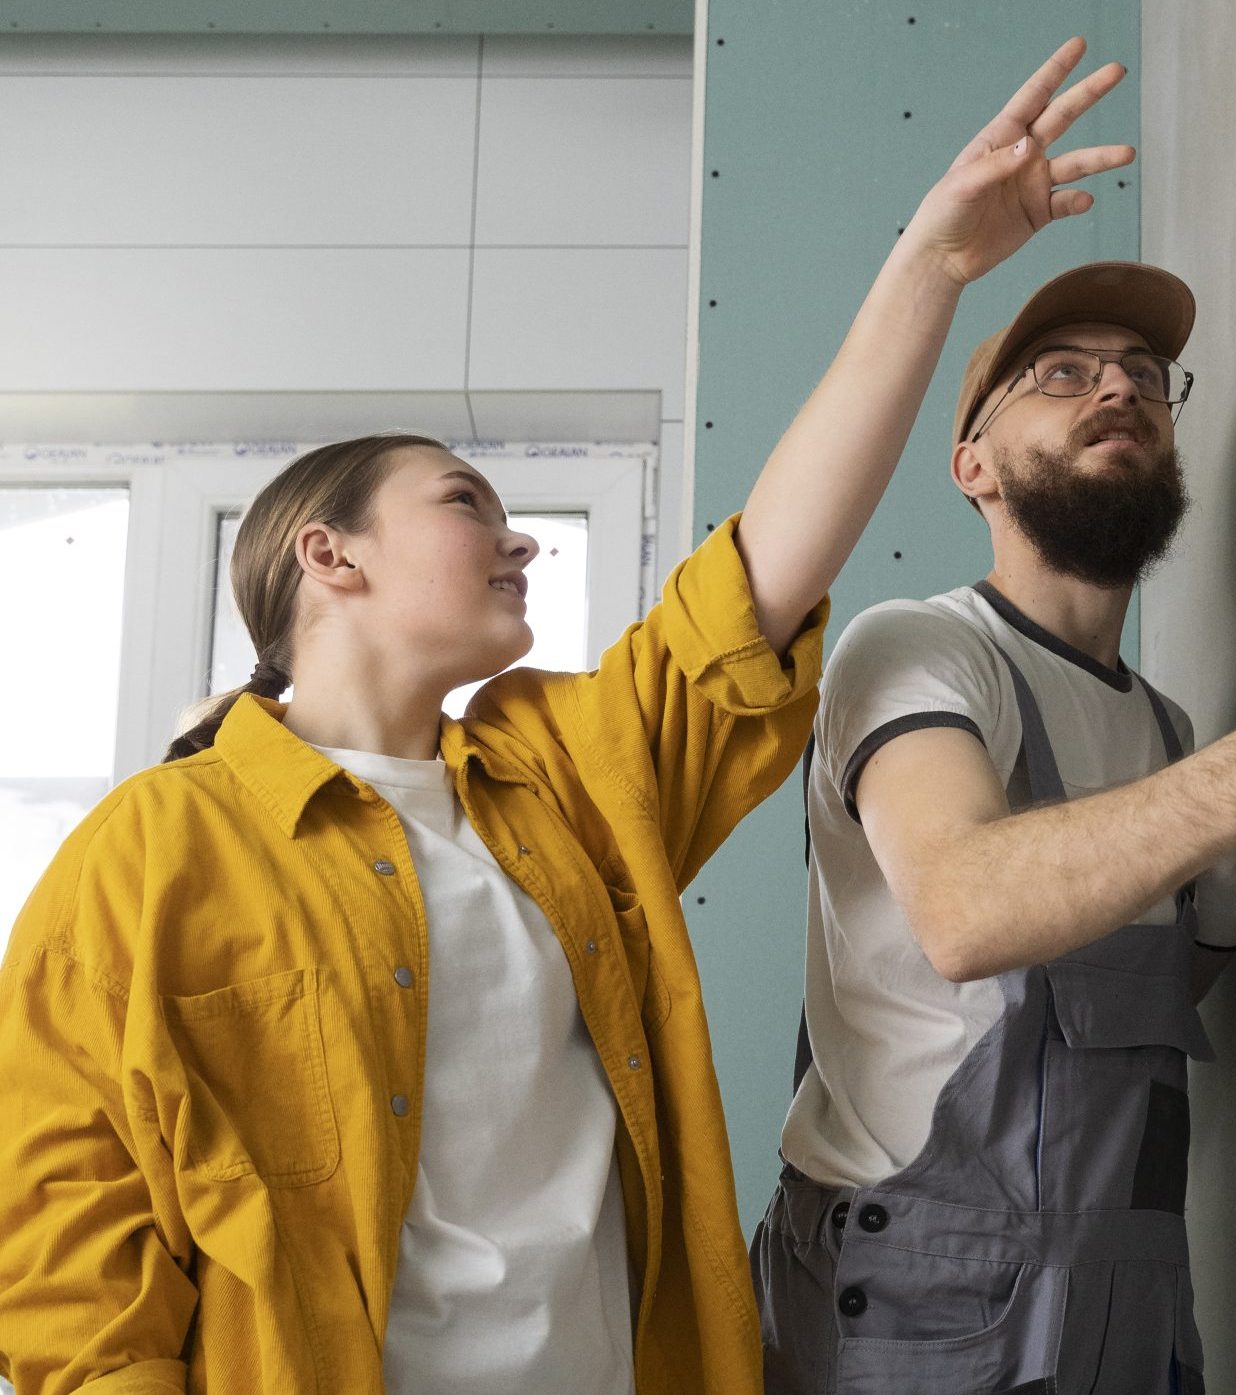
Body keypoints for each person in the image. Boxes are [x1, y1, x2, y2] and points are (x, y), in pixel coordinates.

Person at [0, 37, 1134, 1395]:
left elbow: (764, 573)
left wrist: (933, 265)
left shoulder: (564, 777)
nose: (518, 541)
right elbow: (72, 1273)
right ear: (328, 554)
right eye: (466, 500)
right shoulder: (146, 858)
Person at [751, 256, 1236, 1391]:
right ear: (974, 467)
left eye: (1144, 373)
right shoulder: (918, 651)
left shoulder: (1163, 727)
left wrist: (1233, 883)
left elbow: (1104, 1019)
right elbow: (965, 911)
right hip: (924, 1307)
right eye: (1060, 374)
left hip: (1125, 1291)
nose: (1119, 389)